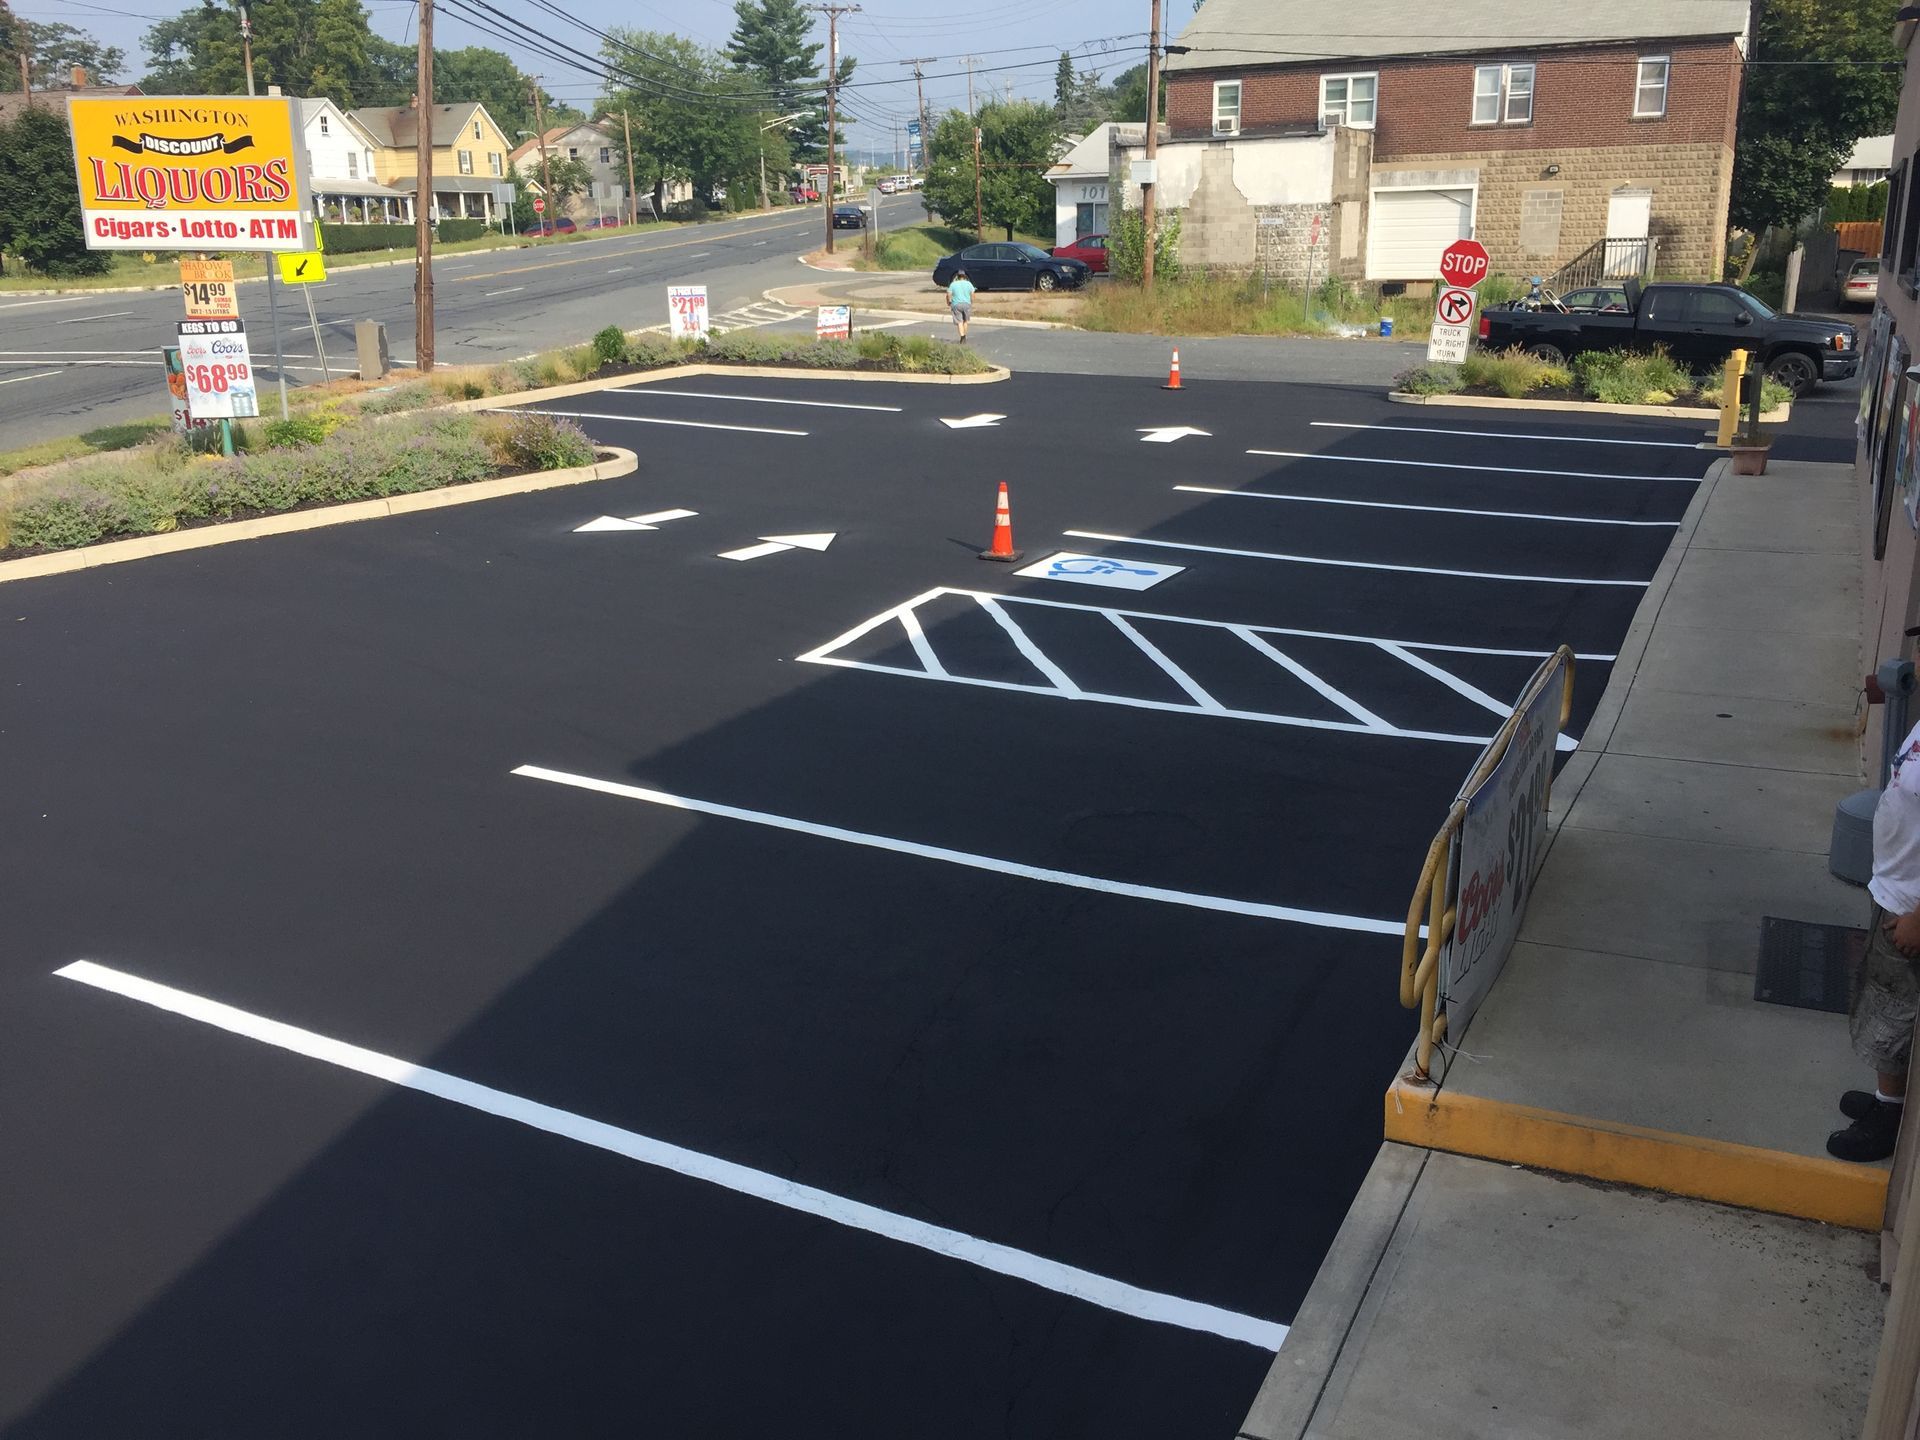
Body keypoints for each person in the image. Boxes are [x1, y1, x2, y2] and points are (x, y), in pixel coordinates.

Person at [1832, 719, 1920, 1161]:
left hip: (1911, 908)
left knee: (1895, 1014)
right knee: (1882, 997)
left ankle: (1887, 1120)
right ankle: (1892, 1101)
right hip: (1894, 891)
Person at [947, 267, 975, 344]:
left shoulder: (953, 284)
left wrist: (949, 302)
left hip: (956, 304)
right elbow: (972, 294)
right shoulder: (969, 284)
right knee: (965, 321)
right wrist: (971, 302)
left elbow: (949, 294)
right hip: (966, 304)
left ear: (957, 276)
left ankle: (962, 336)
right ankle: (965, 335)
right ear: (964, 276)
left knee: (959, 321)